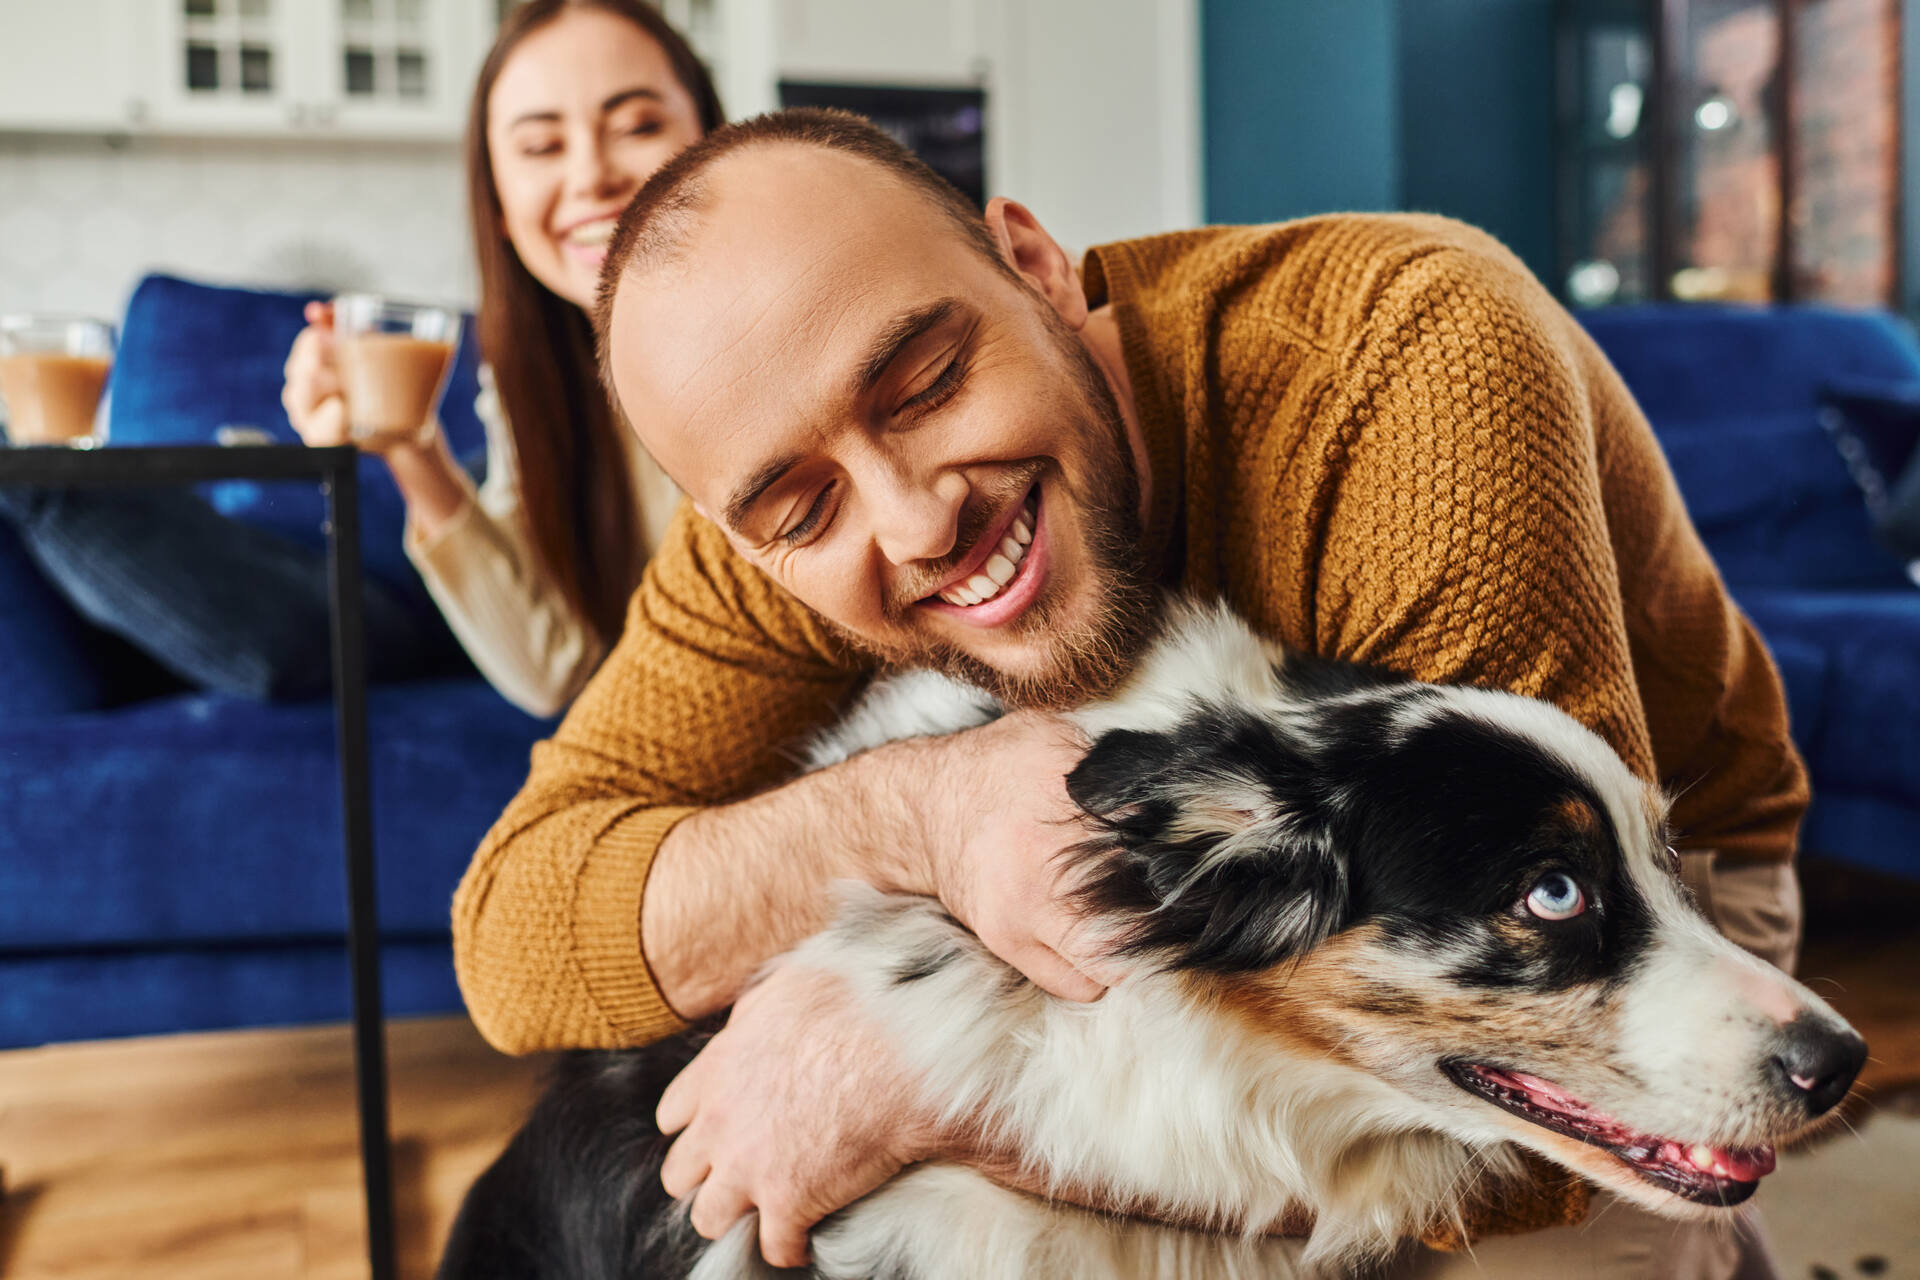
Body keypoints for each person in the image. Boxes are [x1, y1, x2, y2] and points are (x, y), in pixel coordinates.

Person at [454, 110, 1807, 1279]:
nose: (917, 519)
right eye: (801, 509)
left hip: (1633, 910)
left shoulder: (1410, 358)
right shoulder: (781, 516)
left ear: (1038, 269)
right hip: (1248, 912)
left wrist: (910, 1091)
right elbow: (512, 935)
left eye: (927, 383)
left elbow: (1531, 1092)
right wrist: (916, 817)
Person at [0, 0, 718, 717]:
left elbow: (561, 672)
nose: (592, 176)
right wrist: (407, 447)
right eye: (540, 147)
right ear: (497, 202)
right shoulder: (534, 381)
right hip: (371, 544)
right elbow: (554, 667)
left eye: (637, 127)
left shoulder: (758, 361)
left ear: (718, 144)